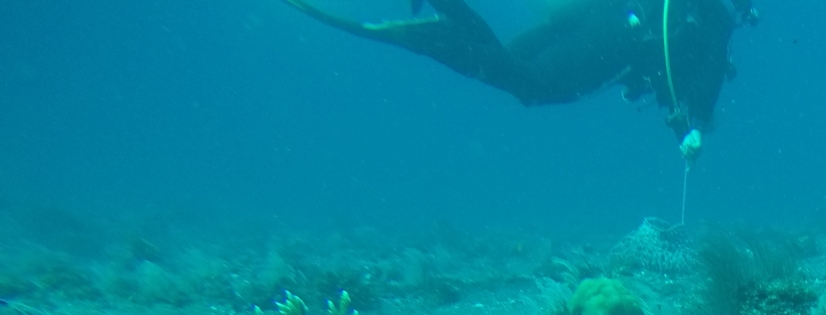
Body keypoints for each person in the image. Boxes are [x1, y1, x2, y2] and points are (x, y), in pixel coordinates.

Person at [280, 0, 746, 144]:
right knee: (534, 87)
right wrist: (698, 127)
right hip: (612, 38)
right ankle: (427, 34)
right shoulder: (717, 15)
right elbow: (705, 76)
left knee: (507, 60)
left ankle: (444, 17)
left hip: (586, 13)